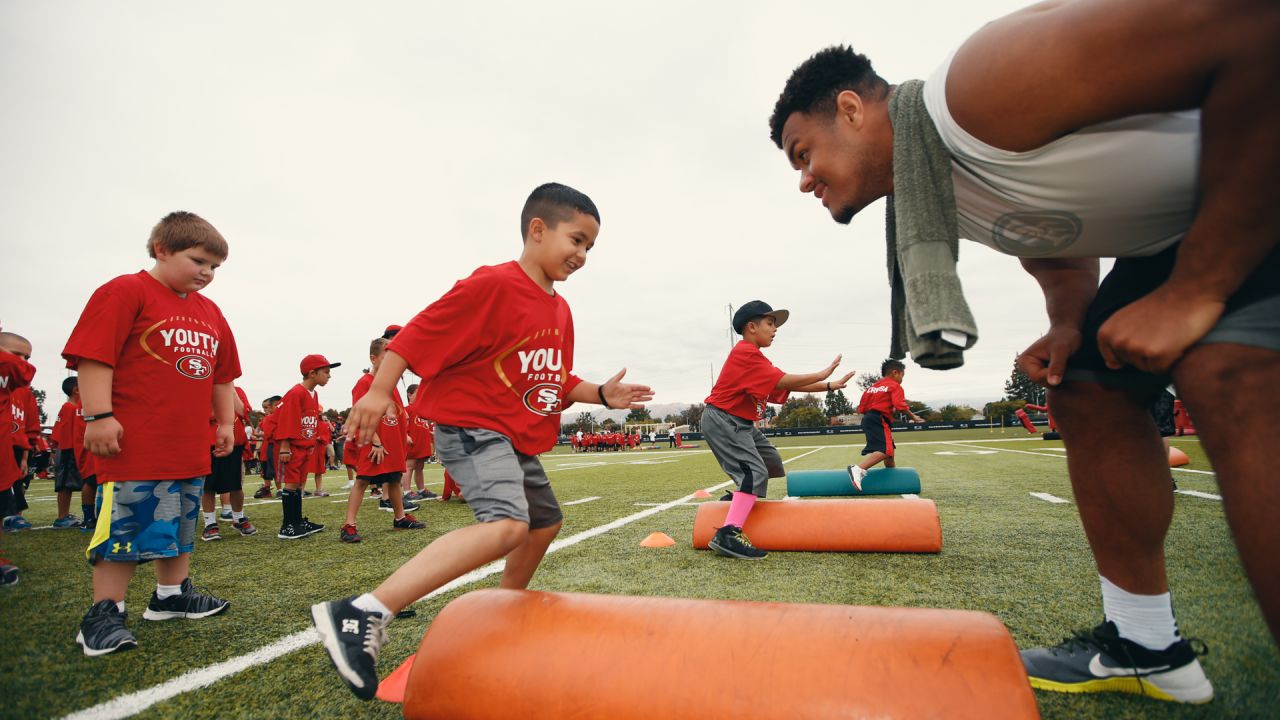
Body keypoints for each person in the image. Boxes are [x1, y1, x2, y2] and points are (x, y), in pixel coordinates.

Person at [768, 1, 1280, 702]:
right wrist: (1069, 321)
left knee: (1230, 370)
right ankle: (1144, 645)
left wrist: (1201, 288)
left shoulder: (976, 88)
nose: (802, 180)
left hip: (1249, 185)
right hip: (1173, 238)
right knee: (1085, 390)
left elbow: (1257, 32)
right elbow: (1052, 231)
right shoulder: (933, 190)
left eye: (804, 155)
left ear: (851, 110)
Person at [311, 182, 653, 700]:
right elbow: (416, 335)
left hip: (514, 436)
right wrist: (380, 390)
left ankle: (503, 610)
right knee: (509, 525)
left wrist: (602, 394)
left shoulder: (559, 312)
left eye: (590, 247)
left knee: (544, 522)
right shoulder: (492, 284)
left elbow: (552, 382)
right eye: (576, 240)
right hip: (472, 426)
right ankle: (360, 612)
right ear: (537, 230)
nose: (583, 255)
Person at [62, 211, 239, 656]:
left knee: (179, 523)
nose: (207, 272)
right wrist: (98, 415)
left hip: (186, 443)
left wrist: (226, 423)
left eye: (215, 267)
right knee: (126, 525)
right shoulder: (126, 290)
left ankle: (171, 596)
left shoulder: (210, 311)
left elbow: (222, 376)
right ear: (162, 249)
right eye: (198, 260)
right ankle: (104, 613)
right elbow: (93, 357)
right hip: (135, 442)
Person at [702, 301, 851, 559]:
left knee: (771, 463)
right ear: (751, 327)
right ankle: (728, 533)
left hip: (741, 423)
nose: (775, 329)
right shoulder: (745, 353)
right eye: (770, 323)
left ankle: (737, 500)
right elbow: (783, 380)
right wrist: (821, 373)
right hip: (724, 419)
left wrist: (828, 385)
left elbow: (782, 387)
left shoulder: (756, 359)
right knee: (754, 471)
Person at [337, 338, 425, 544]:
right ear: (373, 358)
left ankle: (400, 518)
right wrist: (375, 441)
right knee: (362, 481)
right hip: (373, 443)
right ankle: (349, 525)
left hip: (392, 442)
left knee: (394, 480)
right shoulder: (365, 383)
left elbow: (396, 413)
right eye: (386, 358)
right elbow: (361, 414)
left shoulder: (390, 383)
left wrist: (403, 435)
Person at [274, 355, 337, 540]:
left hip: (304, 447)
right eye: (326, 372)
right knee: (292, 484)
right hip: (292, 447)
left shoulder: (313, 394)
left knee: (299, 484)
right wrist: (285, 446)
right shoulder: (296, 392)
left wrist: (310, 444)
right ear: (312, 373)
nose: (329, 376)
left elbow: (308, 422)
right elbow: (286, 419)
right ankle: (288, 526)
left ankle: (298, 521)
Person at [848, 359, 924, 487]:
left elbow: (861, 408)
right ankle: (858, 469)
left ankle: (892, 479)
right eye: (902, 376)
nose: (902, 379)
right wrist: (914, 417)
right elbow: (900, 405)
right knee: (886, 450)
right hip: (880, 419)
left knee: (890, 453)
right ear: (895, 372)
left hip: (868, 419)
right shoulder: (895, 386)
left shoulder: (872, 388)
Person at [0, 331, 35, 586]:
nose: (23, 362)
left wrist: (23, 455)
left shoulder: (16, 383)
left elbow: (25, 373)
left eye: (28, 356)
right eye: (17, 355)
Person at [200, 384, 256, 540]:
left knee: (235, 485)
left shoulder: (236, 389)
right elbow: (208, 414)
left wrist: (229, 389)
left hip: (234, 441)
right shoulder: (201, 388)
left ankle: (238, 518)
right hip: (209, 440)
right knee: (208, 486)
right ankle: (210, 523)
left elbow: (242, 411)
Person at [50, 377, 88, 528]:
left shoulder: (73, 408)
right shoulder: (69, 408)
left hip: (71, 450)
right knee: (65, 485)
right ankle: (62, 516)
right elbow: (62, 432)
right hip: (68, 450)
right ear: (76, 390)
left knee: (70, 484)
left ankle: (65, 515)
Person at [403, 383, 439, 501]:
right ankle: (407, 491)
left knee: (420, 466)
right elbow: (402, 426)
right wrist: (406, 436)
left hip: (422, 442)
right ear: (409, 394)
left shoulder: (423, 409)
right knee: (409, 466)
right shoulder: (406, 410)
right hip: (412, 442)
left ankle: (421, 489)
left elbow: (428, 422)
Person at [252, 395, 282, 499]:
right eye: (264, 408)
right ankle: (267, 488)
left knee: (275, 469)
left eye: (267, 407)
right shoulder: (265, 419)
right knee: (266, 469)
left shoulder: (274, 418)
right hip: (266, 447)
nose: (266, 410)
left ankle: (279, 489)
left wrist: (262, 434)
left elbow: (265, 433)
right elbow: (256, 432)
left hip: (274, 446)